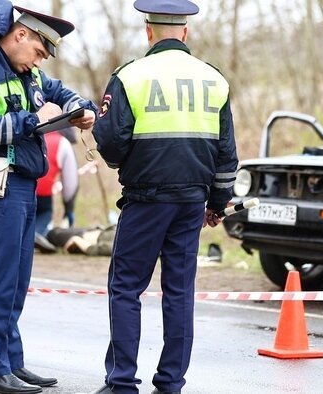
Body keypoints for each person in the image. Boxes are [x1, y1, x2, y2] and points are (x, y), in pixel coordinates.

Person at [90, 0, 238, 393]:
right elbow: (226, 152)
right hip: (192, 202)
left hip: (146, 199)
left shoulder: (129, 76)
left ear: (148, 30)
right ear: (185, 32)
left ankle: (122, 382)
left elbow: (111, 143)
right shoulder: (214, 79)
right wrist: (218, 203)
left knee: (126, 287)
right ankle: (171, 381)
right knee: (179, 291)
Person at [0, 1, 97, 393]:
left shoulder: (27, 73)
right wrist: (38, 119)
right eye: (37, 51)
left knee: (16, 281)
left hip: (25, 182)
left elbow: (57, 91)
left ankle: (11, 363)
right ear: (19, 35)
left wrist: (77, 109)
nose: (38, 63)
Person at [34, 128, 79, 253]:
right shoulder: (63, 142)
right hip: (43, 191)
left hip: (21, 186)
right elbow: (70, 181)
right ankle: (36, 234)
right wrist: (68, 207)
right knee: (45, 213)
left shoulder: (33, 134)